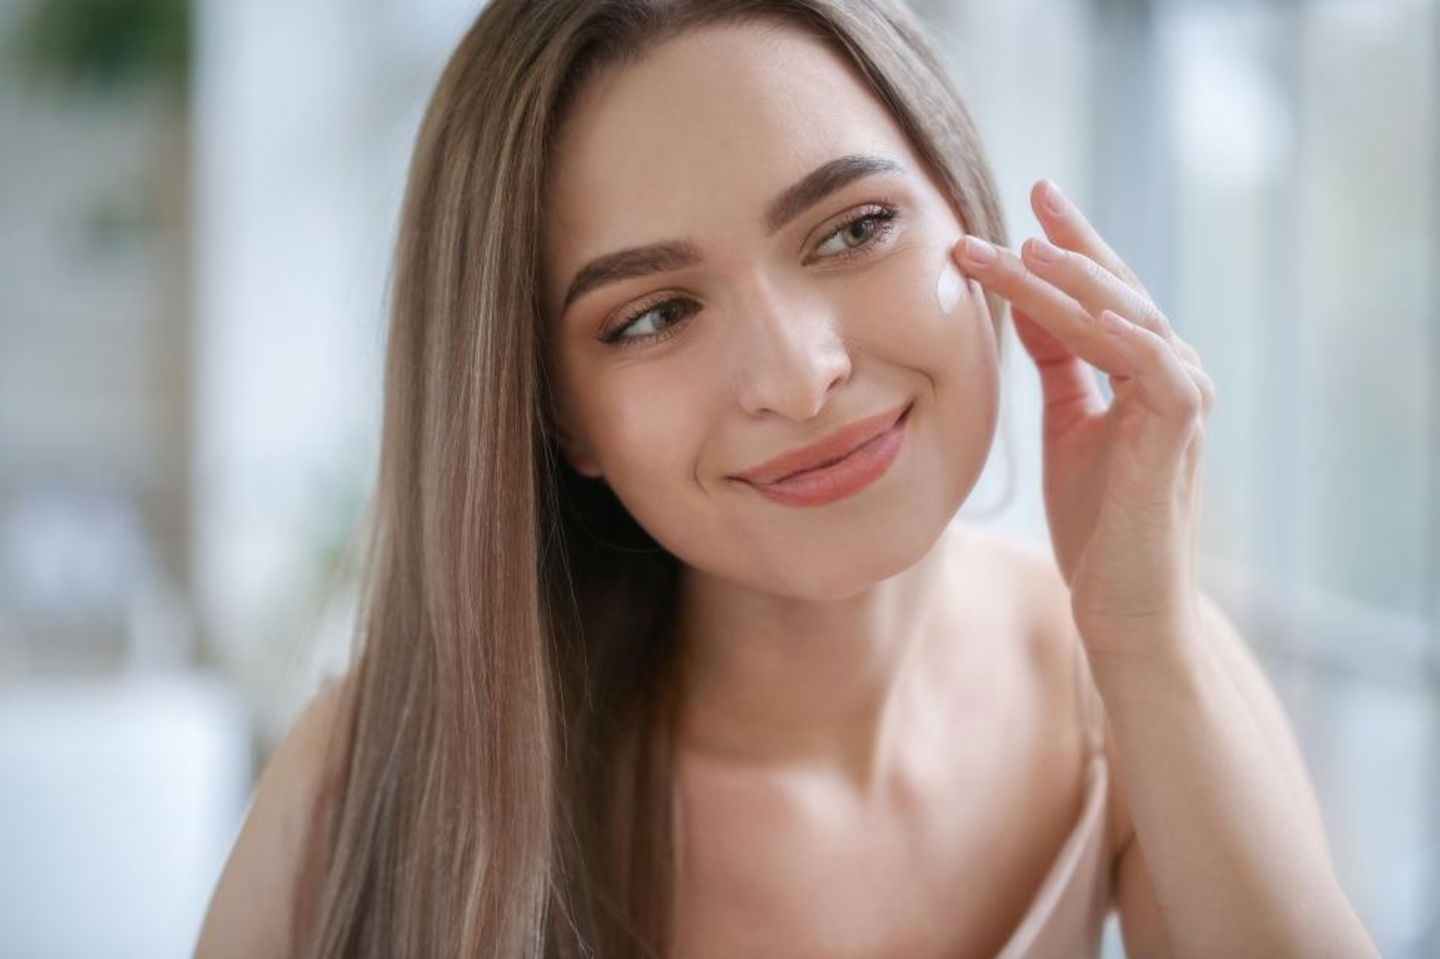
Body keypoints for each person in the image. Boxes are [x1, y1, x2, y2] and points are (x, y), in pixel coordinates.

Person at [195, 1, 1379, 957]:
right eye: (653, 313)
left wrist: (1141, 639)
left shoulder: (1139, 678)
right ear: (555, 414)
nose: (802, 375)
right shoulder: (376, 779)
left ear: (972, 222)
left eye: (854, 228)